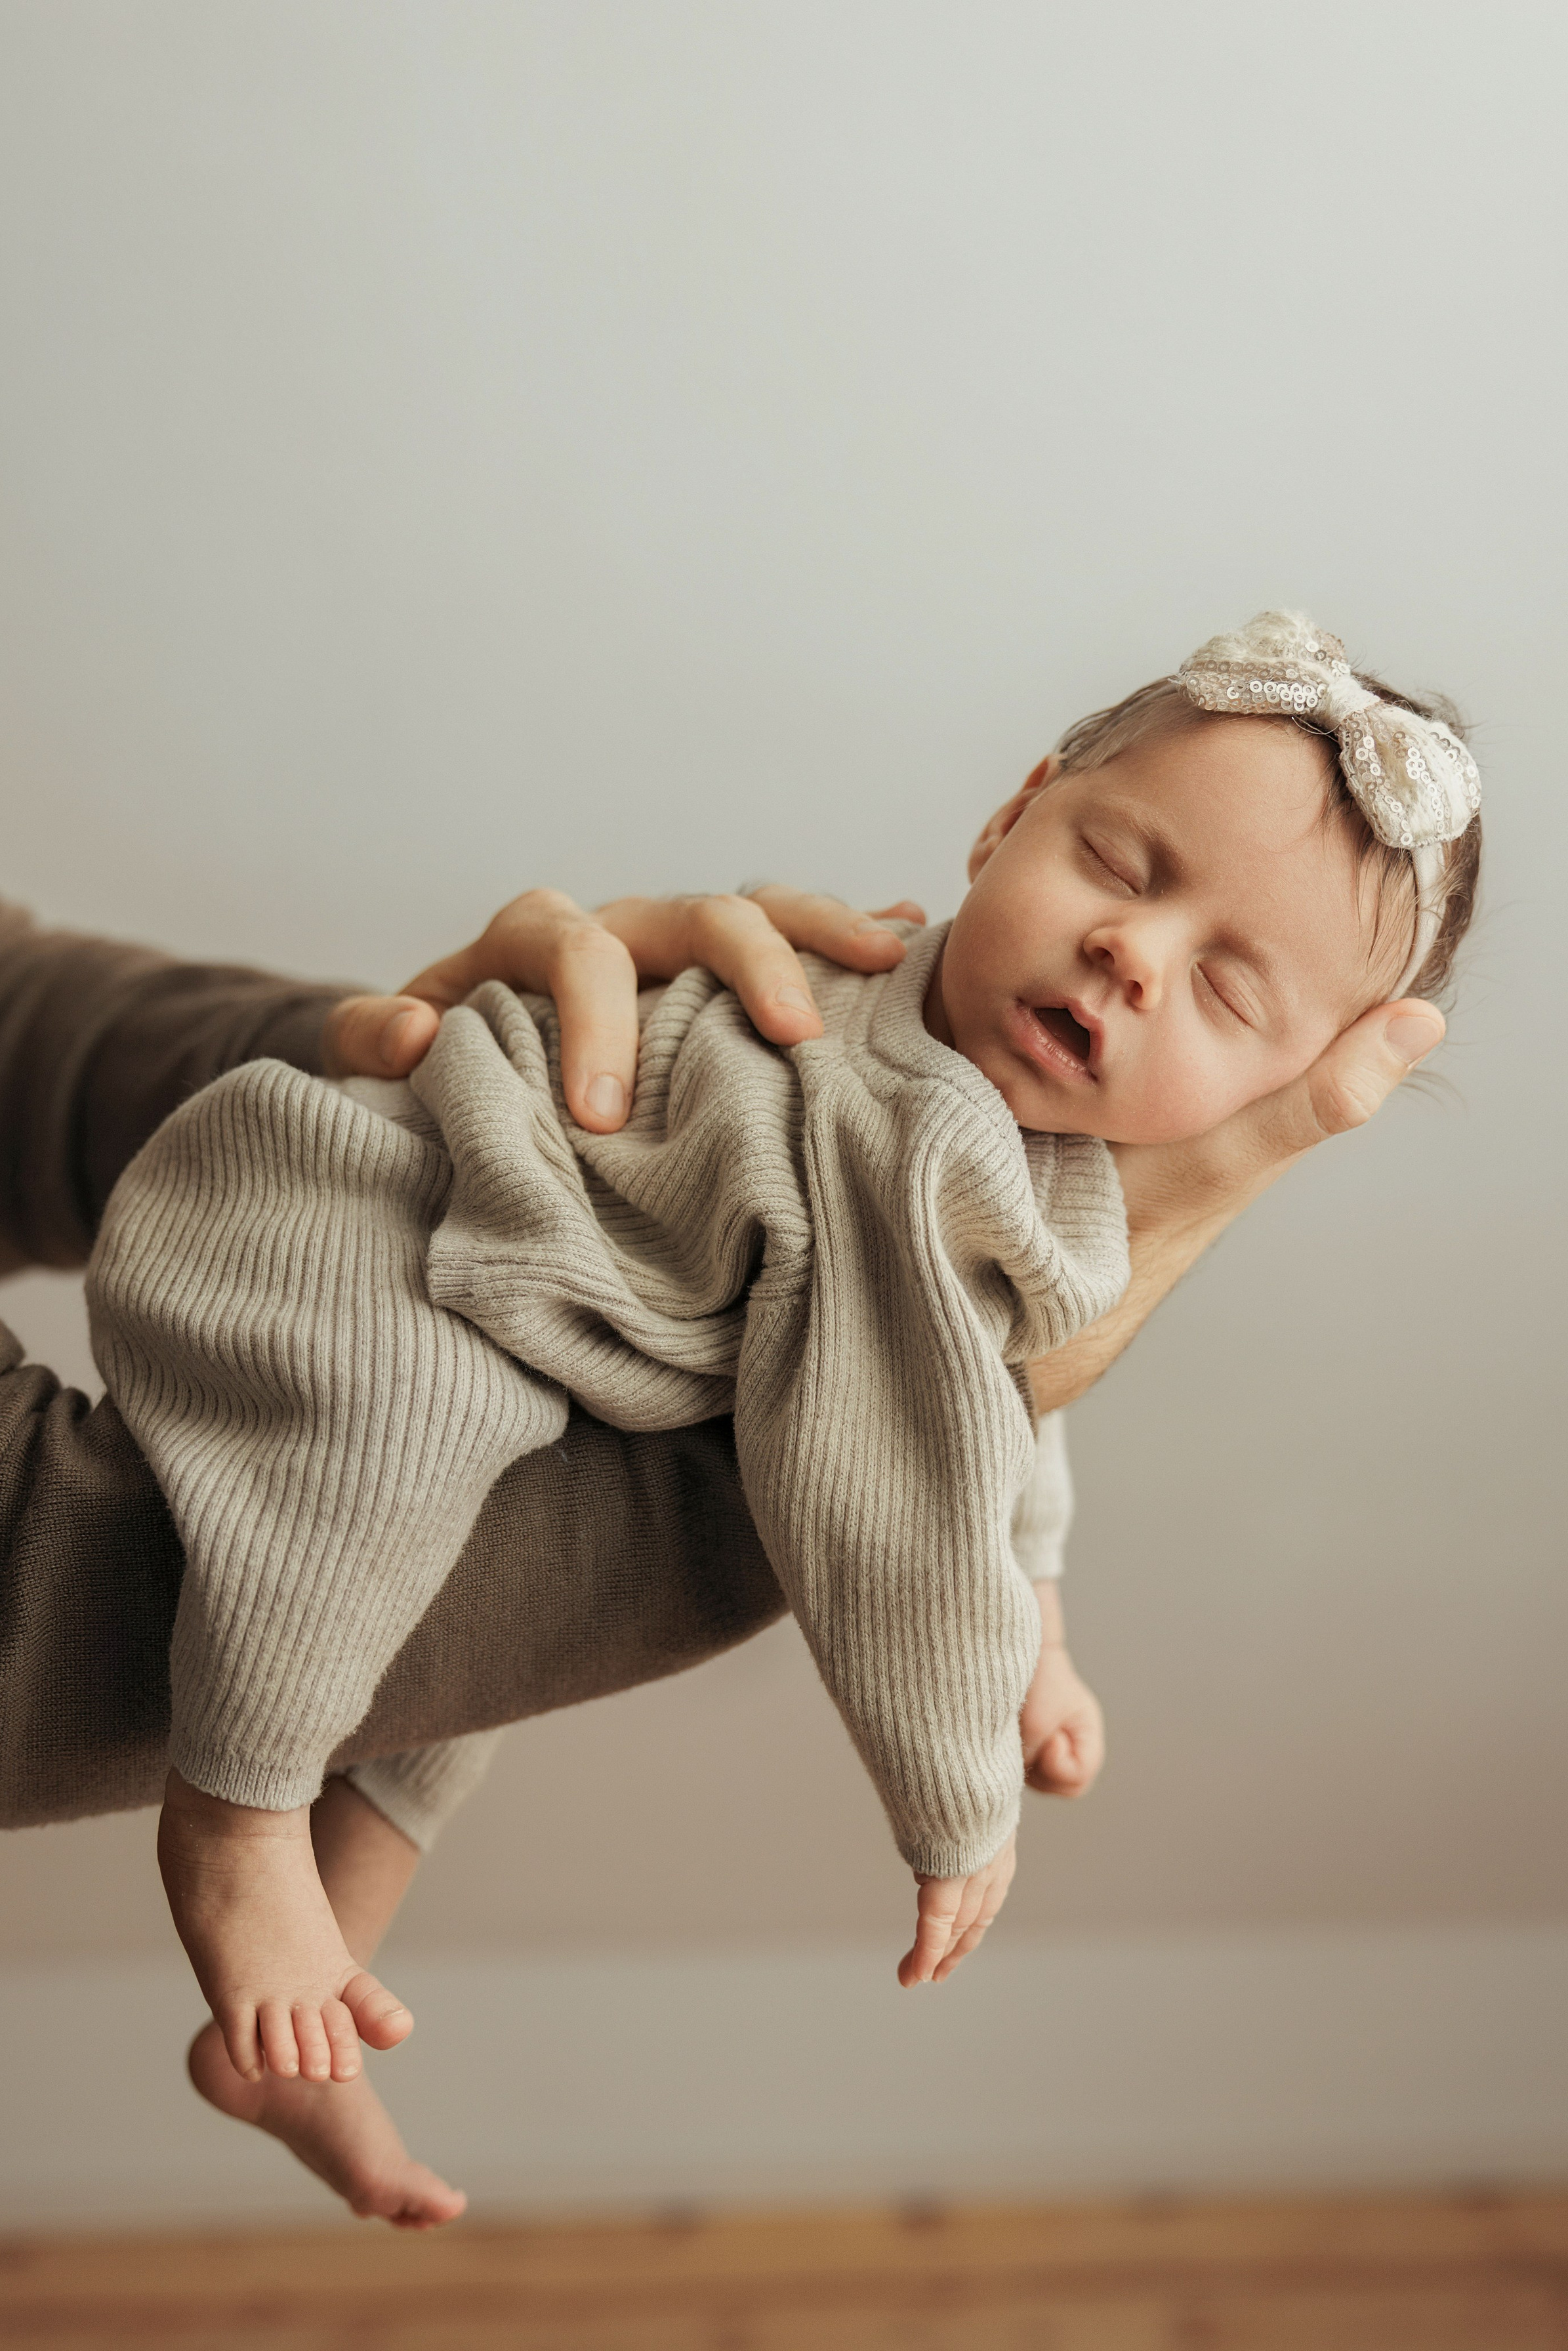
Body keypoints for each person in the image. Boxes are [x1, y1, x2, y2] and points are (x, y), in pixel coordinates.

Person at [84, 612, 1481, 2215]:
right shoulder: (909, 1115)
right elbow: (885, 1479)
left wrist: (1033, 1608)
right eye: (1121, 863)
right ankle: (235, 1818)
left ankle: (299, 2026)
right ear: (1011, 811)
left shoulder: (1026, 1171)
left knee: (451, 1662)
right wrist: (956, 1795)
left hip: (514, 1307)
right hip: (343, 1231)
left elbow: (989, 1399)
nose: (1131, 954)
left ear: (1280, 1089)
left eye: (1227, 990)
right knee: (398, 1439)